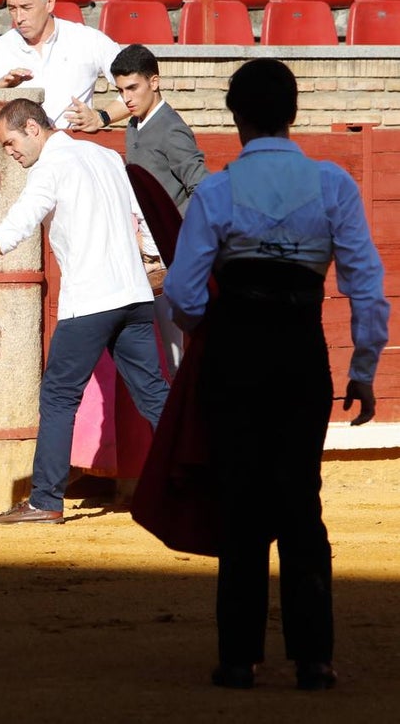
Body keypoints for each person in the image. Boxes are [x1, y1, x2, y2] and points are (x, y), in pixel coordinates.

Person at [163, 58, 389, 691]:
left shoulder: (218, 190)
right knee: (299, 501)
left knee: (240, 505)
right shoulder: (333, 184)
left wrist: (215, 331)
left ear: (237, 119)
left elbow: (182, 293)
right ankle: (313, 658)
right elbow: (366, 288)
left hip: (235, 353)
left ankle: (239, 660)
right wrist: (363, 369)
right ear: (293, 114)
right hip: (299, 353)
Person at [0, 98, 169, 524]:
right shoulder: (105, 156)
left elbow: (15, 228)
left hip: (91, 302)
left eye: (10, 142)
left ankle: (44, 500)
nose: (10, 152)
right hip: (134, 295)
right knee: (154, 393)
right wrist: (155, 264)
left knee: (59, 397)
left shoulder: (50, 168)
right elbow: (142, 221)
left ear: (32, 127)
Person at [112, 42, 208, 372]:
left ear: (154, 82)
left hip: (171, 257)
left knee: (177, 353)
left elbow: (201, 188)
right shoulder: (135, 125)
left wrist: (177, 241)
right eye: (121, 90)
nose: (127, 98)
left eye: (133, 88)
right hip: (145, 253)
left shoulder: (171, 129)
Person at [0, 0, 128, 132]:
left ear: (49, 3)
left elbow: (139, 85)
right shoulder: (0, 48)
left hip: (73, 149)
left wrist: (101, 118)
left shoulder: (88, 40)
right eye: (12, 9)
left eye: (26, 8)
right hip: (20, 155)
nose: (18, 18)